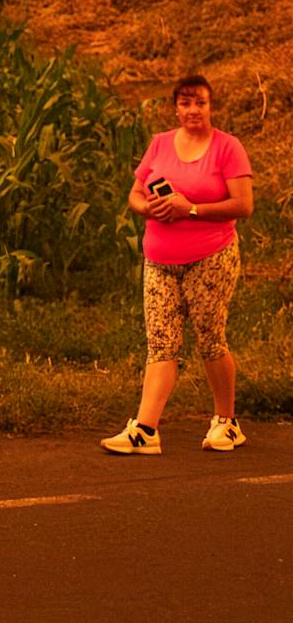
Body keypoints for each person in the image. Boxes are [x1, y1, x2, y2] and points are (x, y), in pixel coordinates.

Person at [102, 74, 254, 456]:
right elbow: (135, 194)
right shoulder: (160, 144)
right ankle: (145, 430)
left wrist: (193, 209)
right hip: (159, 259)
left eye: (200, 103)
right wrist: (147, 206)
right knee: (161, 343)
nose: (193, 110)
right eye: (185, 103)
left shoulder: (227, 148)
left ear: (210, 106)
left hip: (211, 257)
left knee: (209, 338)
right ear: (176, 107)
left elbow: (243, 205)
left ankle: (227, 422)